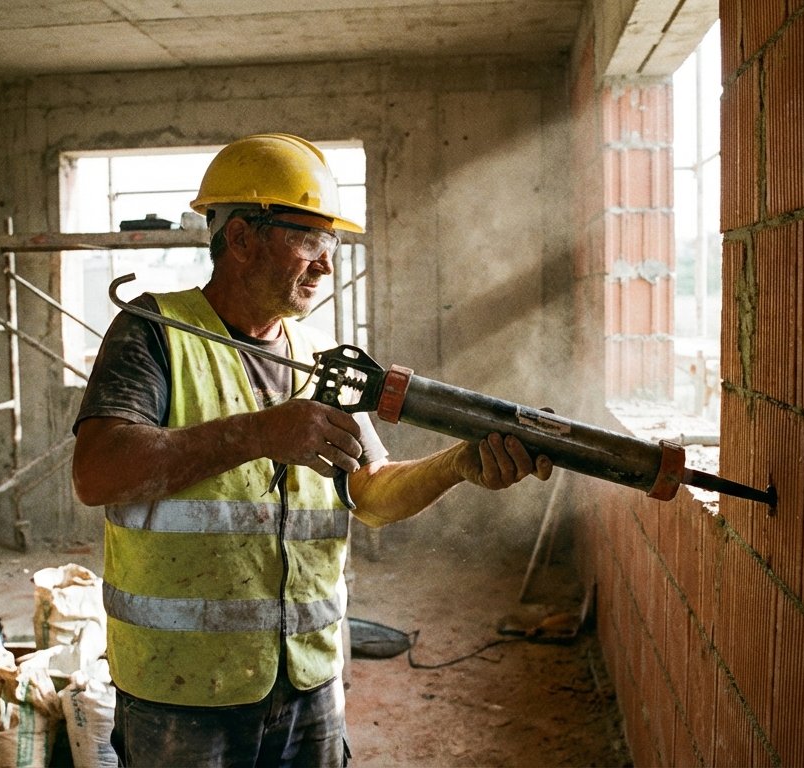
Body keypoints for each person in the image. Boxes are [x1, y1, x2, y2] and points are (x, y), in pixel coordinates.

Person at [71, 132, 552, 767]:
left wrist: (458, 464)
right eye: (309, 241)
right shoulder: (153, 331)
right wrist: (259, 433)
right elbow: (98, 471)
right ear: (240, 239)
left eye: (332, 245)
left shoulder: (319, 355)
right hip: (181, 691)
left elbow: (369, 492)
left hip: (307, 681)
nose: (326, 263)